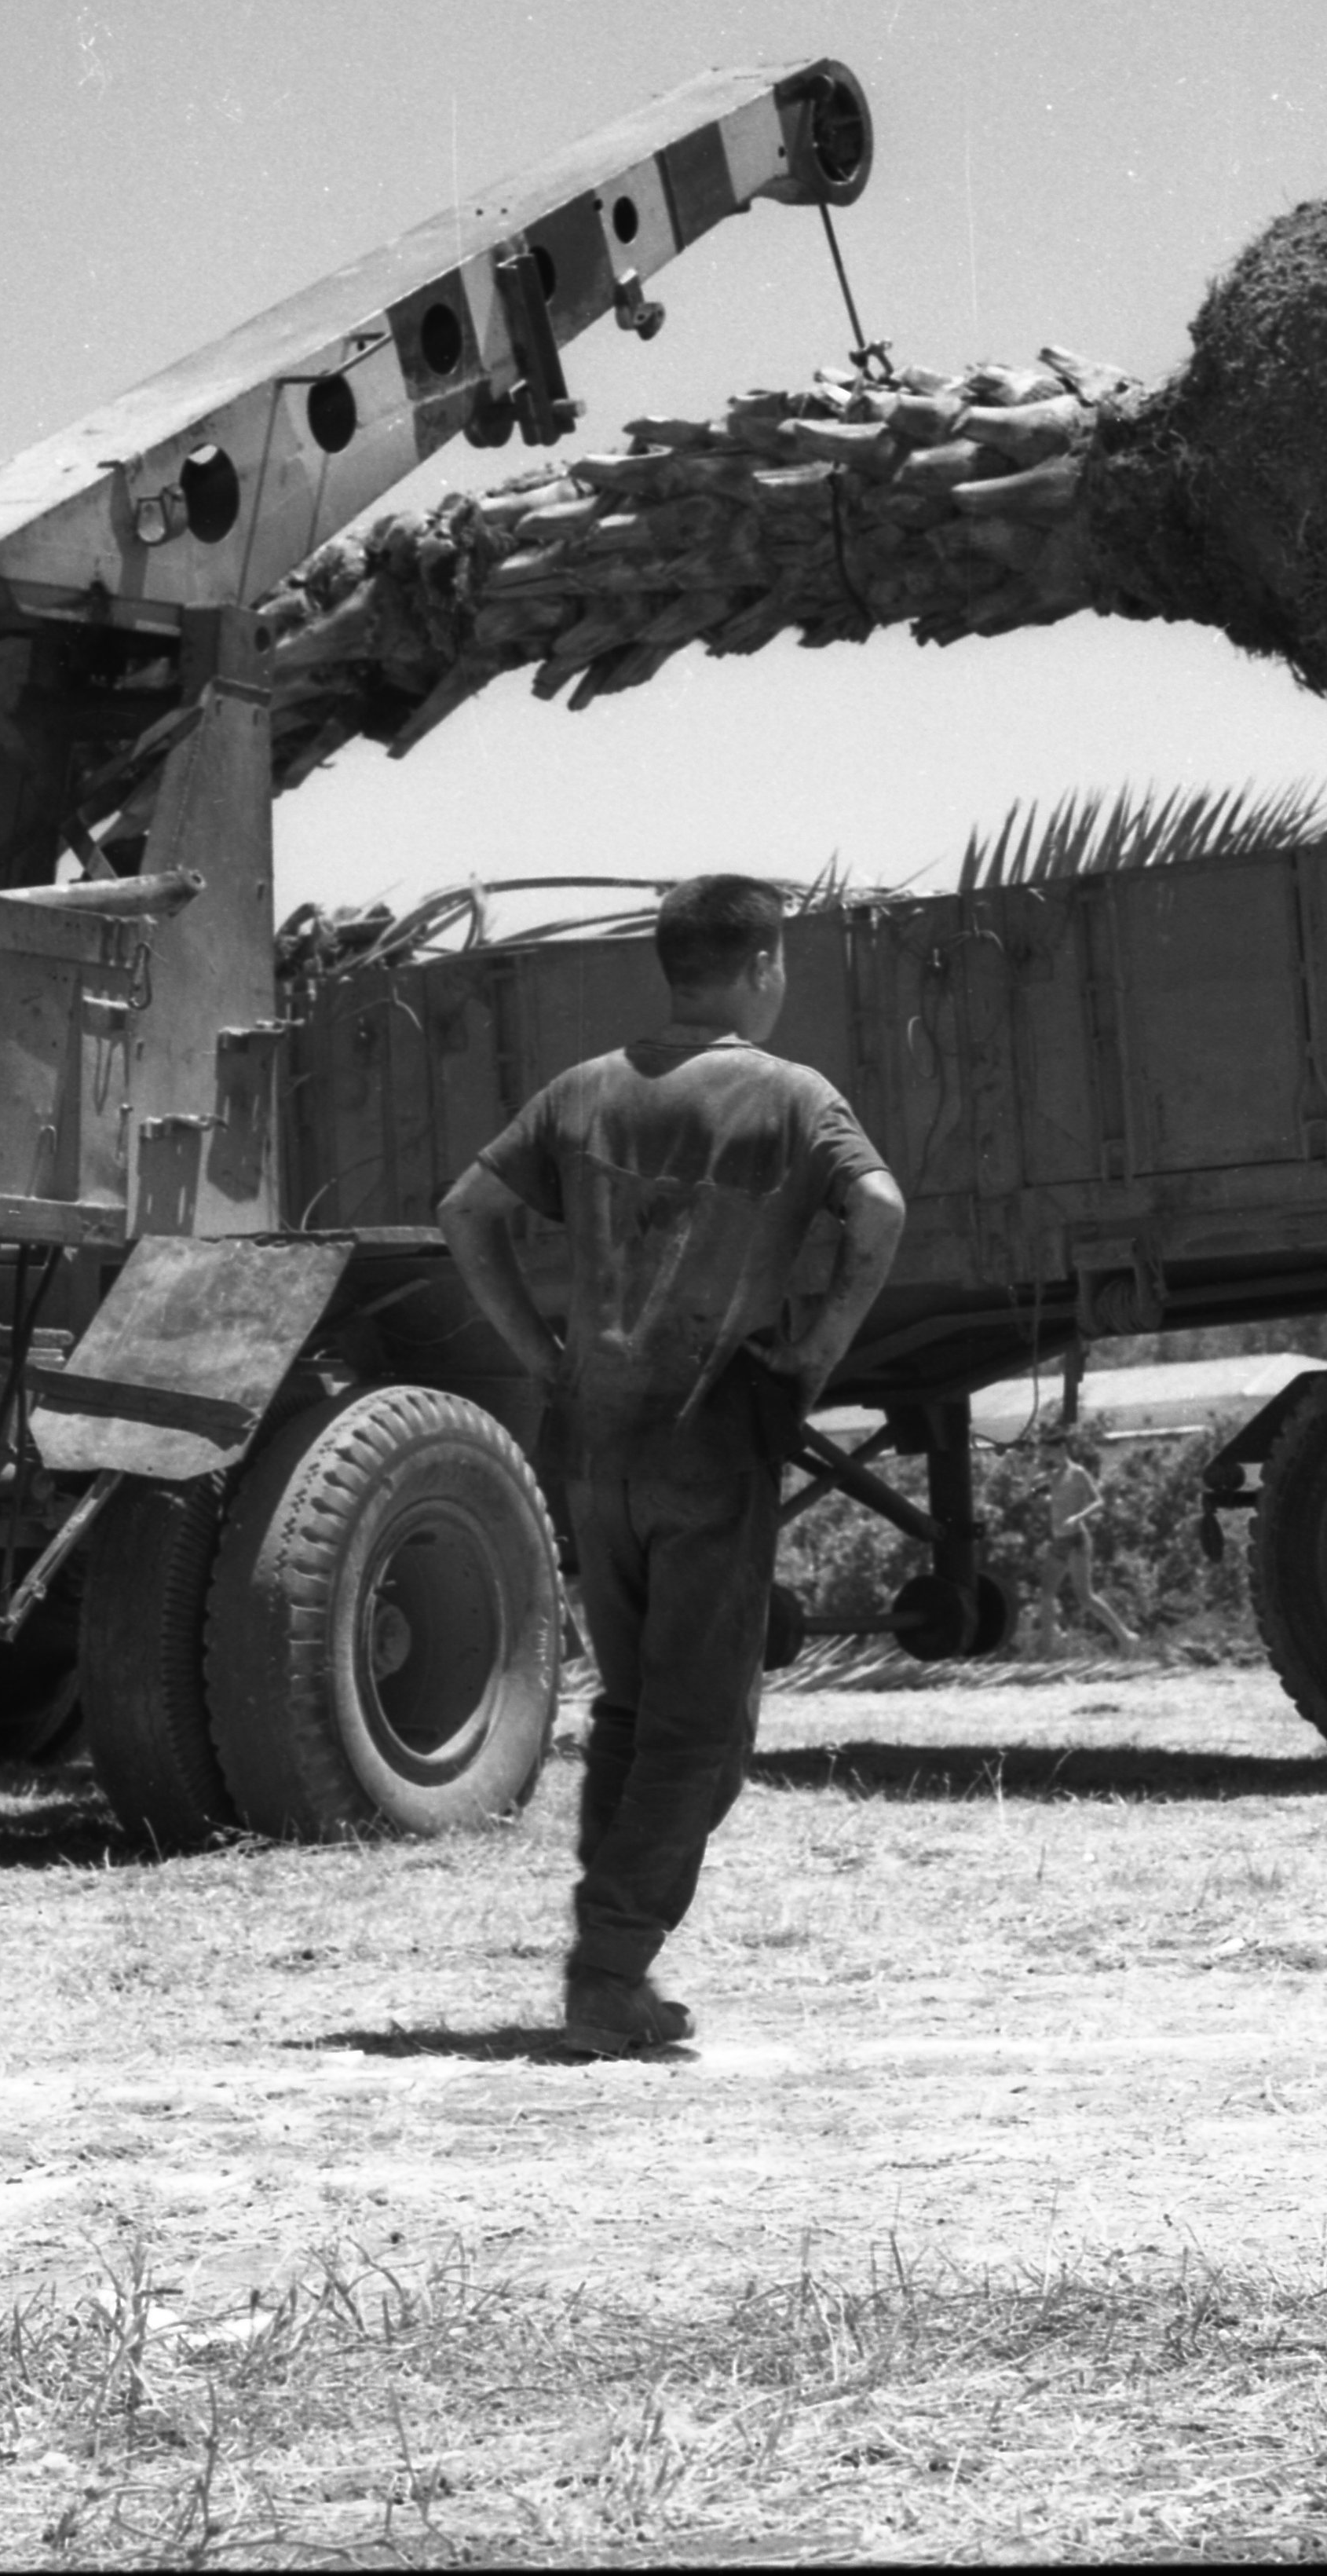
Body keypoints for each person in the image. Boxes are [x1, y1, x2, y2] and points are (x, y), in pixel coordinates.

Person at [438, 873, 907, 2056]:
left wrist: (538, 1354)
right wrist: (812, 1348)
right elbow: (881, 1212)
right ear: (759, 967)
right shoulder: (793, 1098)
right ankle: (608, 1968)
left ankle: (609, 1946)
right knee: (701, 1732)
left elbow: (464, 1212)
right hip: (710, 1438)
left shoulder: (583, 1090)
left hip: (593, 1442)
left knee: (637, 1708)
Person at [1024, 1416, 1136, 1655]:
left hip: (1076, 1539)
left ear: (1061, 1449)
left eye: (1048, 1450)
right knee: (1046, 1594)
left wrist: (1078, 1517)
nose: (1045, 1455)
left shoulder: (1078, 1473)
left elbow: (1099, 1501)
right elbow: (1031, 1492)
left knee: (1085, 1597)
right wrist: (1035, 1474)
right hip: (1059, 1540)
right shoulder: (1053, 1476)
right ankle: (1048, 1650)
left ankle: (1125, 1636)